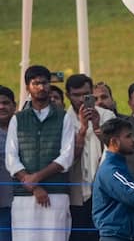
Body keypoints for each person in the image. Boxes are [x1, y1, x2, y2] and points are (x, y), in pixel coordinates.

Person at [5, 65, 75, 241]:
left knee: (55, 237)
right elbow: (11, 158)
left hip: (56, 193)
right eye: (35, 83)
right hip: (24, 195)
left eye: (44, 83)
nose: (41, 87)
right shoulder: (18, 118)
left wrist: (36, 177)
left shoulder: (63, 117)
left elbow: (66, 157)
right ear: (28, 87)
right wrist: (34, 186)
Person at [65, 74, 116, 241]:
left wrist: (96, 126)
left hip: (103, 188)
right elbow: (66, 158)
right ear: (68, 96)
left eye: (85, 95)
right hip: (75, 191)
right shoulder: (64, 119)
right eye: (76, 95)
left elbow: (115, 150)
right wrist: (82, 128)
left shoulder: (107, 116)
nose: (81, 99)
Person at [0, 86, 16, 241]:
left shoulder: (23, 130)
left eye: (5, 103)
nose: (1, 107)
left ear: (14, 106)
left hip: (24, 201)